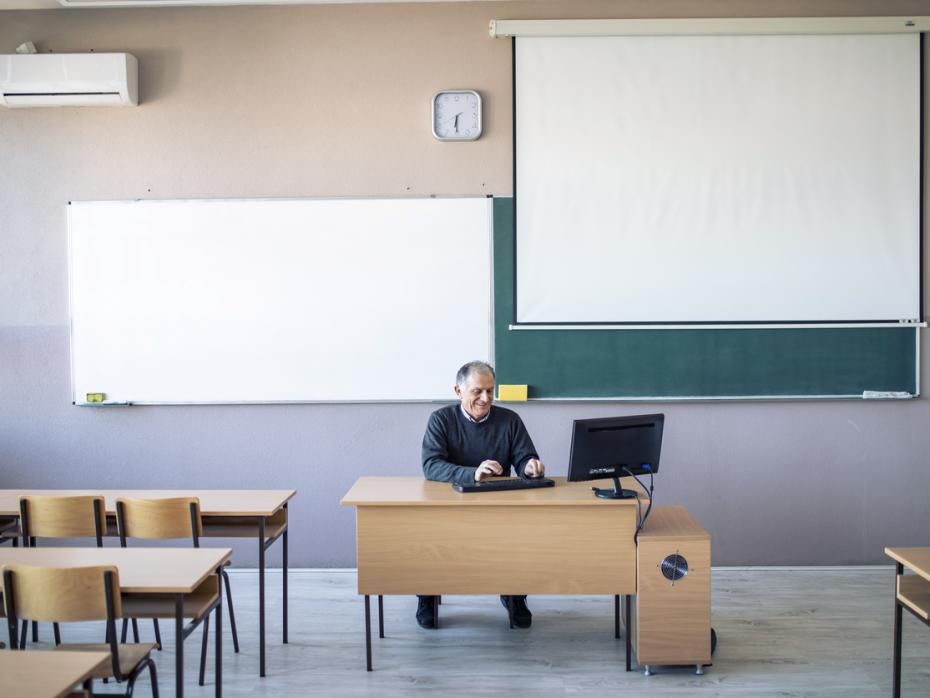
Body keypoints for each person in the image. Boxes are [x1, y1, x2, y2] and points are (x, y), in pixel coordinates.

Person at [418, 360, 546, 630]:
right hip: (448, 505)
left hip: (498, 504)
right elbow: (431, 465)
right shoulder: (440, 420)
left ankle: (515, 595)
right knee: (427, 537)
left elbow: (525, 457)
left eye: (490, 390)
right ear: (458, 391)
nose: (485, 398)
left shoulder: (510, 420)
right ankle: (427, 595)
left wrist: (530, 466)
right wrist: (472, 473)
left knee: (521, 535)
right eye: (477, 391)